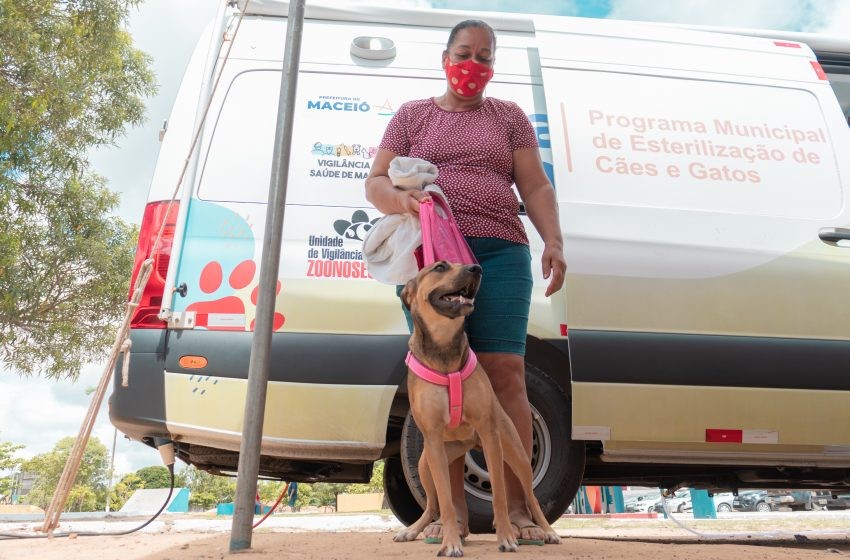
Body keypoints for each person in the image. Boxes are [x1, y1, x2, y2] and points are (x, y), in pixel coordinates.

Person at [365, 19, 566, 544]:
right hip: (431, 261)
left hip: (498, 255)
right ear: (444, 57)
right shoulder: (412, 115)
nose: (472, 65)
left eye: (484, 56)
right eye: (463, 53)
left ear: (493, 65)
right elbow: (376, 181)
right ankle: (449, 515)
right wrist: (402, 200)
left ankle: (520, 511)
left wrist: (555, 242)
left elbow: (536, 186)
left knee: (505, 375)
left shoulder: (510, 118)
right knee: (438, 382)